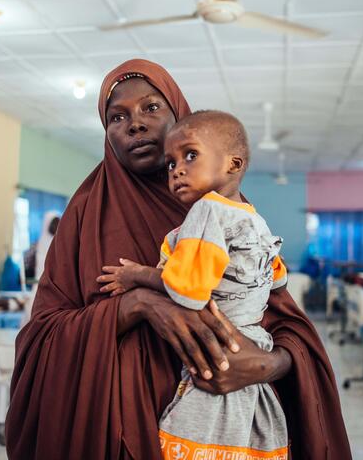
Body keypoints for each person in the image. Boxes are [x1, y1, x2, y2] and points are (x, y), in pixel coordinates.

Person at [5, 59, 351, 459]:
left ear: (178, 114)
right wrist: (136, 304)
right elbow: (42, 338)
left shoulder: (226, 210)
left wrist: (266, 366)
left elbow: (286, 325)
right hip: (119, 430)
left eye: (151, 108)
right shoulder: (85, 214)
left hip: (229, 431)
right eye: (117, 117)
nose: (134, 124)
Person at [97, 110, 289, 458]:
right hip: (253, 342)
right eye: (170, 164)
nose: (177, 170)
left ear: (233, 164)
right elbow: (279, 277)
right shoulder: (255, 218)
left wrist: (136, 276)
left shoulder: (206, 211)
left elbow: (186, 289)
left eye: (190, 156)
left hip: (214, 348)